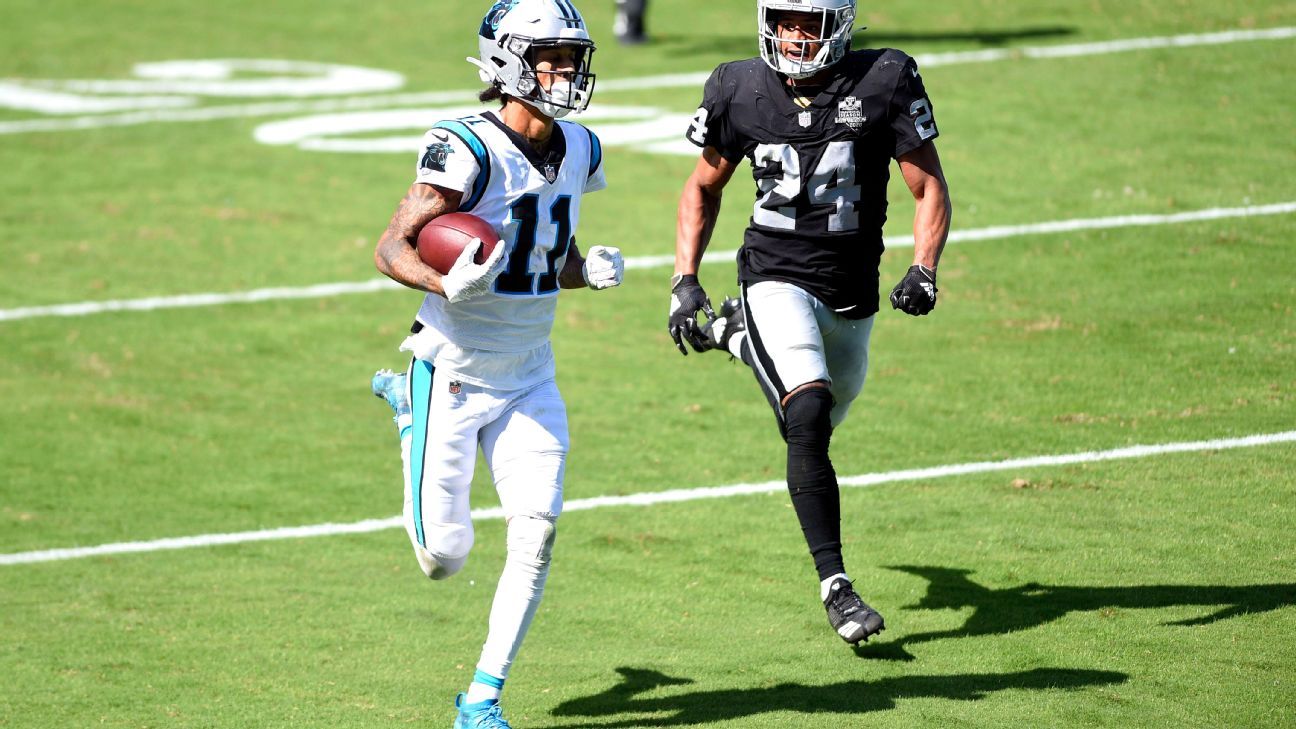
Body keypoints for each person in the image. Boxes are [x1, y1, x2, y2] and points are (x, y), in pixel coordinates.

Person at [369, 1, 622, 726]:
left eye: (572, 57)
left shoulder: (581, 147)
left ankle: (482, 697)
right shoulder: (465, 148)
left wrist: (585, 270)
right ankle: (407, 410)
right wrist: (443, 281)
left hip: (531, 371)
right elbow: (390, 248)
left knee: (537, 530)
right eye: (552, 57)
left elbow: (543, 260)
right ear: (509, 60)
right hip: (449, 367)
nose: (567, 72)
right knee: (443, 556)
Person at [668, 0, 951, 646]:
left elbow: (928, 185)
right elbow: (702, 186)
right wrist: (685, 277)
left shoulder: (884, 78)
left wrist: (924, 268)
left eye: (808, 23)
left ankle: (732, 334)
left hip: (852, 295)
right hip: (772, 273)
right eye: (784, 19)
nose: (794, 35)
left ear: (839, 25)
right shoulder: (737, 87)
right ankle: (837, 586)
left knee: (829, 408)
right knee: (806, 413)